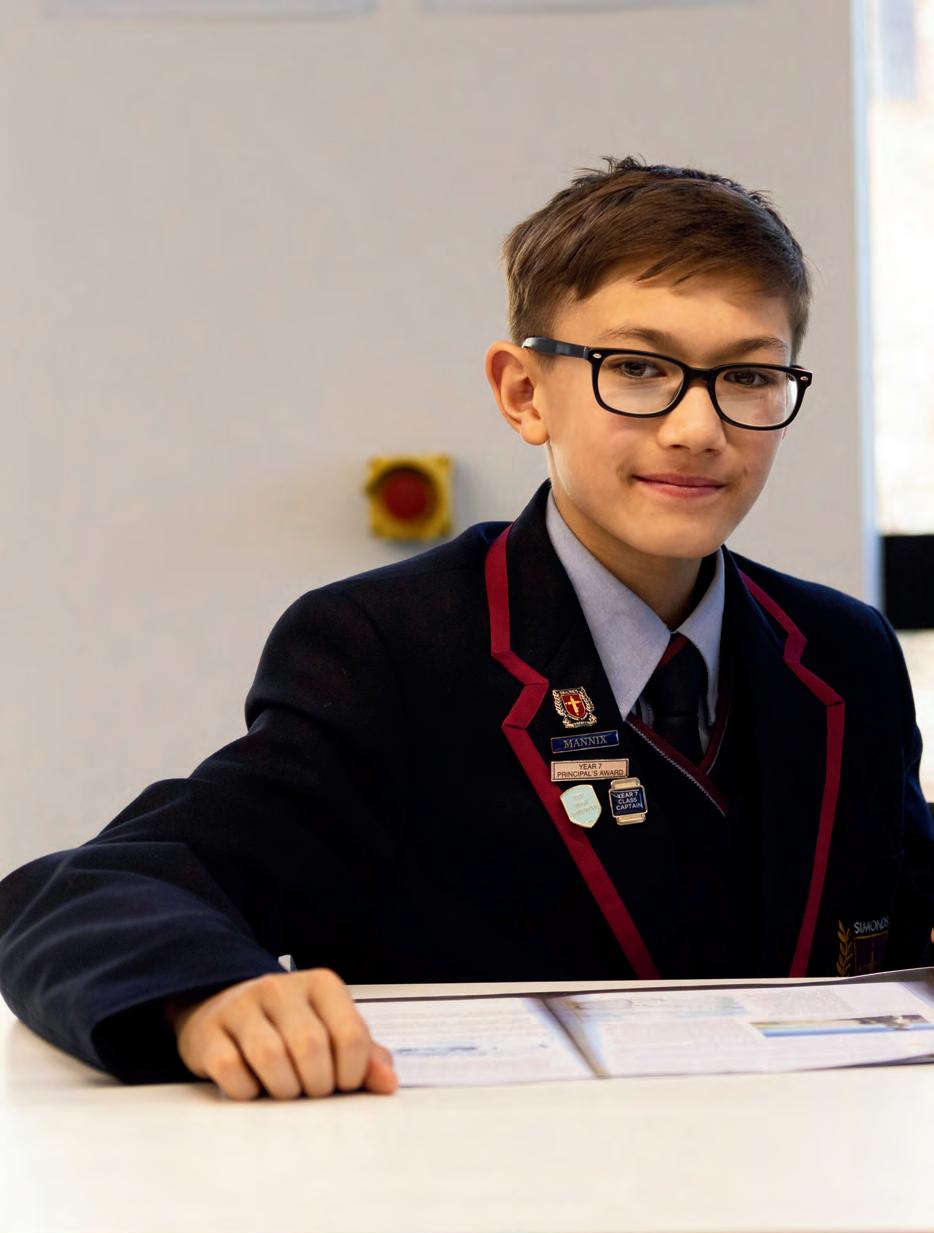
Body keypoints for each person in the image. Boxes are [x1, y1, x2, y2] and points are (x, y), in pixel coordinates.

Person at [1, 157, 932, 1103]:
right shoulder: (389, 648)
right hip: (485, 1178)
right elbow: (99, 889)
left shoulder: (845, 654)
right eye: (638, 369)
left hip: (809, 1172)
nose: (697, 426)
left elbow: (907, 903)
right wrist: (207, 996)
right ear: (524, 392)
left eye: (749, 375)